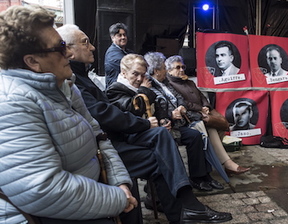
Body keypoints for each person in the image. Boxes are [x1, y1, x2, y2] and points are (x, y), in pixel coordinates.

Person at [57, 24, 232, 224]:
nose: (93, 48)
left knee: (165, 140)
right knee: (161, 145)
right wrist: (145, 121)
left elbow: (167, 103)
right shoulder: (84, 82)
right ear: (68, 50)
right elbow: (108, 112)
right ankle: (187, 206)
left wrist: (164, 117)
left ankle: (185, 209)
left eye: (143, 74)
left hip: (114, 139)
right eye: (85, 42)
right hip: (105, 146)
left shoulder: (80, 77)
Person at [0, 6, 137, 224]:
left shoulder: (63, 84)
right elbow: (43, 189)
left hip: (88, 195)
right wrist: (116, 199)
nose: (69, 54)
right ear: (32, 61)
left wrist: (120, 181)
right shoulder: (12, 103)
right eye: (60, 47)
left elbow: (98, 135)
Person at [106, 53, 224, 192]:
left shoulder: (159, 83)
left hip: (161, 126)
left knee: (195, 136)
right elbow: (133, 109)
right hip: (137, 134)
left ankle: (200, 177)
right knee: (170, 139)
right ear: (124, 73)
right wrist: (146, 91)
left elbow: (161, 105)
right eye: (135, 74)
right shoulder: (117, 89)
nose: (139, 78)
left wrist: (164, 118)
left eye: (142, 74)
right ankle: (178, 187)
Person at [165, 55, 251, 177]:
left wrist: (206, 106)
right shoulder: (171, 85)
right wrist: (200, 109)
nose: (181, 70)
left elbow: (201, 96)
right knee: (211, 128)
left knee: (220, 125)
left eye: (183, 66)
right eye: (177, 67)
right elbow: (183, 103)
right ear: (169, 71)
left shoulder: (189, 81)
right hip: (190, 117)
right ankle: (228, 164)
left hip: (202, 112)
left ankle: (216, 159)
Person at [104, 22, 133, 88]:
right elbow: (131, 66)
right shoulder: (112, 54)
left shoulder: (127, 51)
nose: (123, 37)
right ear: (112, 38)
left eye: (124, 35)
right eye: (119, 35)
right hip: (116, 91)